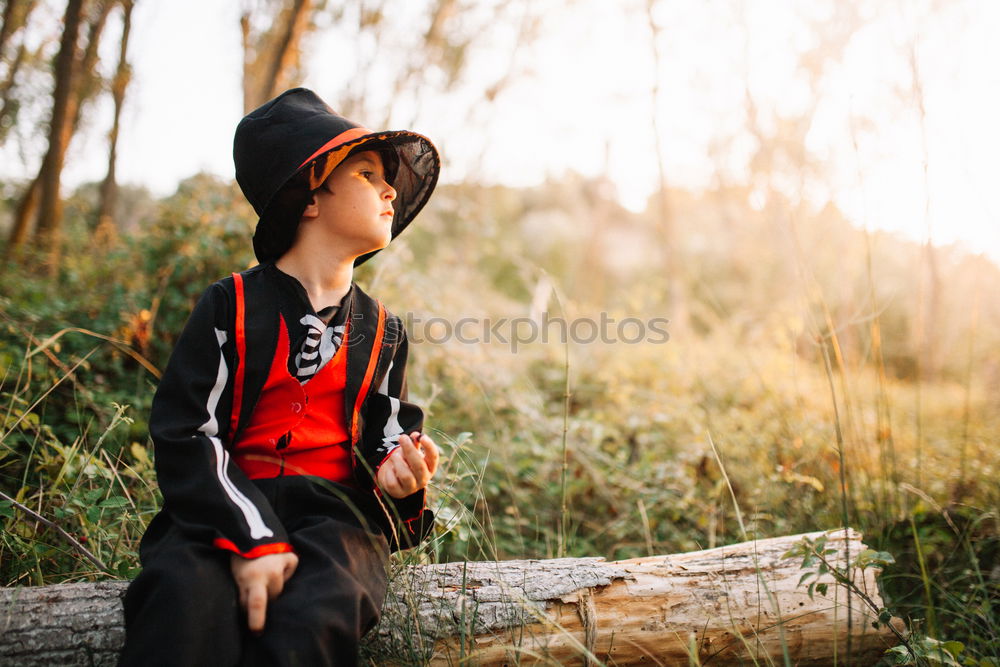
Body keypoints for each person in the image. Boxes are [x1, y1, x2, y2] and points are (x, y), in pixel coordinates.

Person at [119, 87, 442, 666]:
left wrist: (402, 476)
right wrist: (252, 537)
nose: (389, 188)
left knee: (319, 614)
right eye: (367, 173)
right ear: (309, 196)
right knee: (183, 601)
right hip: (219, 504)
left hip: (335, 518)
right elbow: (187, 434)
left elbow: (388, 438)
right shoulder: (230, 305)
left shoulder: (385, 331)